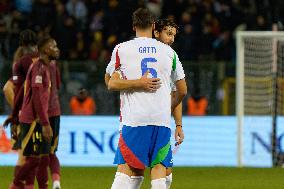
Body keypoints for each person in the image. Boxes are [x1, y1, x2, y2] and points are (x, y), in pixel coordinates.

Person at [108, 8, 187, 189]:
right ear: (153, 27)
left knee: (129, 169)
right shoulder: (170, 53)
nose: (172, 38)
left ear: (134, 26)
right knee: (161, 169)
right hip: (161, 120)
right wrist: (170, 110)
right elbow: (181, 90)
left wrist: (136, 83)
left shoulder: (121, 49)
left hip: (135, 119)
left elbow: (110, 82)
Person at [9, 36, 57, 189]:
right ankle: (15, 185)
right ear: (44, 50)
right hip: (31, 121)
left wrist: (14, 113)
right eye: (53, 46)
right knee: (32, 159)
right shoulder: (38, 68)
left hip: (38, 119)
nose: (56, 49)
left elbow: (24, 92)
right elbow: (35, 97)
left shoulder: (46, 68)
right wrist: (45, 123)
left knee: (43, 159)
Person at [2, 29, 38, 189]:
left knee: (25, 155)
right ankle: (16, 185)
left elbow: (8, 88)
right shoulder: (33, 61)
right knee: (29, 156)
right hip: (31, 115)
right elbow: (8, 87)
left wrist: (16, 111)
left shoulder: (18, 60)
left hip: (23, 115)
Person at [153, 18, 181, 189]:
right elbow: (182, 91)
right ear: (156, 33)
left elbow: (177, 94)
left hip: (162, 122)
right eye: (168, 33)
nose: (171, 38)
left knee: (167, 173)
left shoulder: (171, 58)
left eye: (173, 35)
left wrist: (178, 125)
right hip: (145, 121)